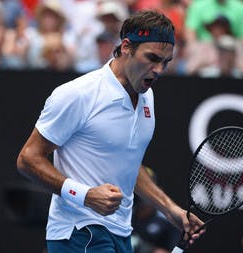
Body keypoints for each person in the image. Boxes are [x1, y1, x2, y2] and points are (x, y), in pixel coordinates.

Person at [16, 10, 204, 252]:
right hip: (79, 233)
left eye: (165, 62)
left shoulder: (148, 98)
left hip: (120, 233)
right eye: (152, 58)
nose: (158, 70)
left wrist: (170, 209)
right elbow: (27, 159)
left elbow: (128, 163)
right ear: (126, 47)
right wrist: (86, 195)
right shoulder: (79, 94)